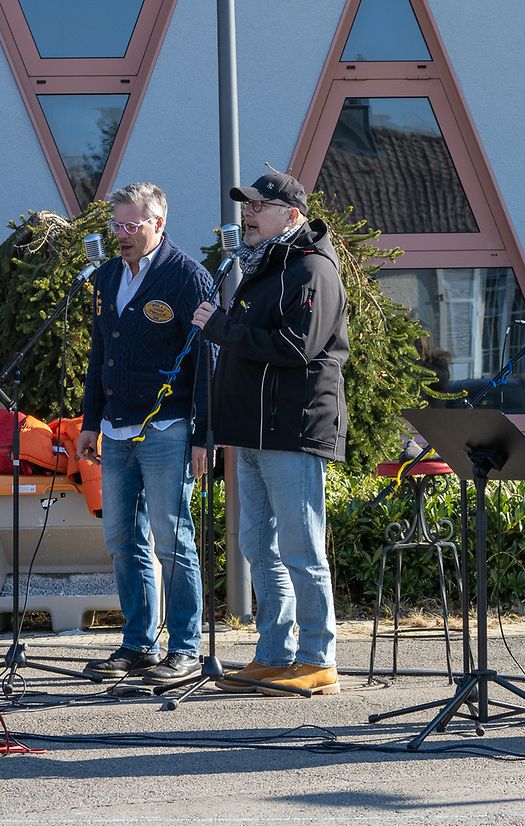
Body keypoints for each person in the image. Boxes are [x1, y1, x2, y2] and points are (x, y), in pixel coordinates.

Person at [191, 171, 348, 697]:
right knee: (258, 545)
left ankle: (318, 658)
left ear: (292, 215)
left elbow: (296, 346)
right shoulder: (262, 267)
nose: (248, 213)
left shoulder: (311, 269)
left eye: (259, 206)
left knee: (301, 548)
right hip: (252, 431)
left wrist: (221, 327)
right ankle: (275, 653)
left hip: (292, 429)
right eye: (247, 205)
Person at [77, 183, 213, 685]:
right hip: (116, 429)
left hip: (168, 428)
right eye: (116, 224)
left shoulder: (188, 277)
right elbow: (100, 354)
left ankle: (185, 647)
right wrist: (90, 421)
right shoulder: (107, 275)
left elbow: (207, 360)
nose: (122, 234)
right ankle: (138, 644)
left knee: (172, 540)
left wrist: (204, 435)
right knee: (121, 538)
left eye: (132, 225)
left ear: (159, 223)